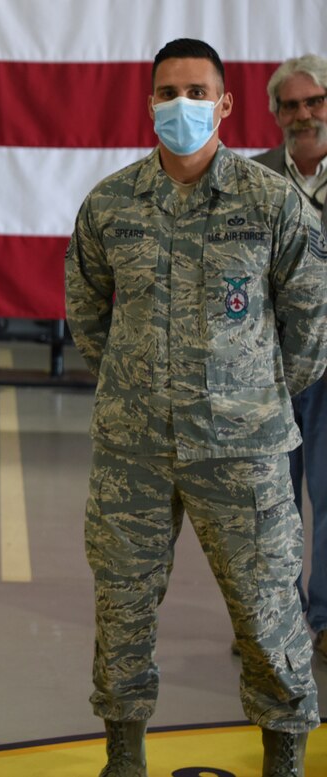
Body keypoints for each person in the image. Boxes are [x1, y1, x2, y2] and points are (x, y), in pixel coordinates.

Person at [65, 38, 325, 777]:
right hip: (133, 452)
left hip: (243, 450)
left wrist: (252, 394)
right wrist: (133, 383)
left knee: (268, 614)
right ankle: (124, 756)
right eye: (169, 92)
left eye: (197, 92)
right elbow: (86, 313)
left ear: (226, 103)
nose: (183, 106)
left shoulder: (270, 202)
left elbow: (310, 324)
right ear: (150, 102)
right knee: (122, 609)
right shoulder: (111, 204)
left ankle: (284, 760)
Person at [252, 54, 327, 663]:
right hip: (270, 368)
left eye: (315, 101)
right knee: (269, 498)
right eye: (291, 105)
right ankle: (276, 618)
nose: (304, 114)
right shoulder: (254, 180)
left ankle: (325, 620)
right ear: (275, 114)